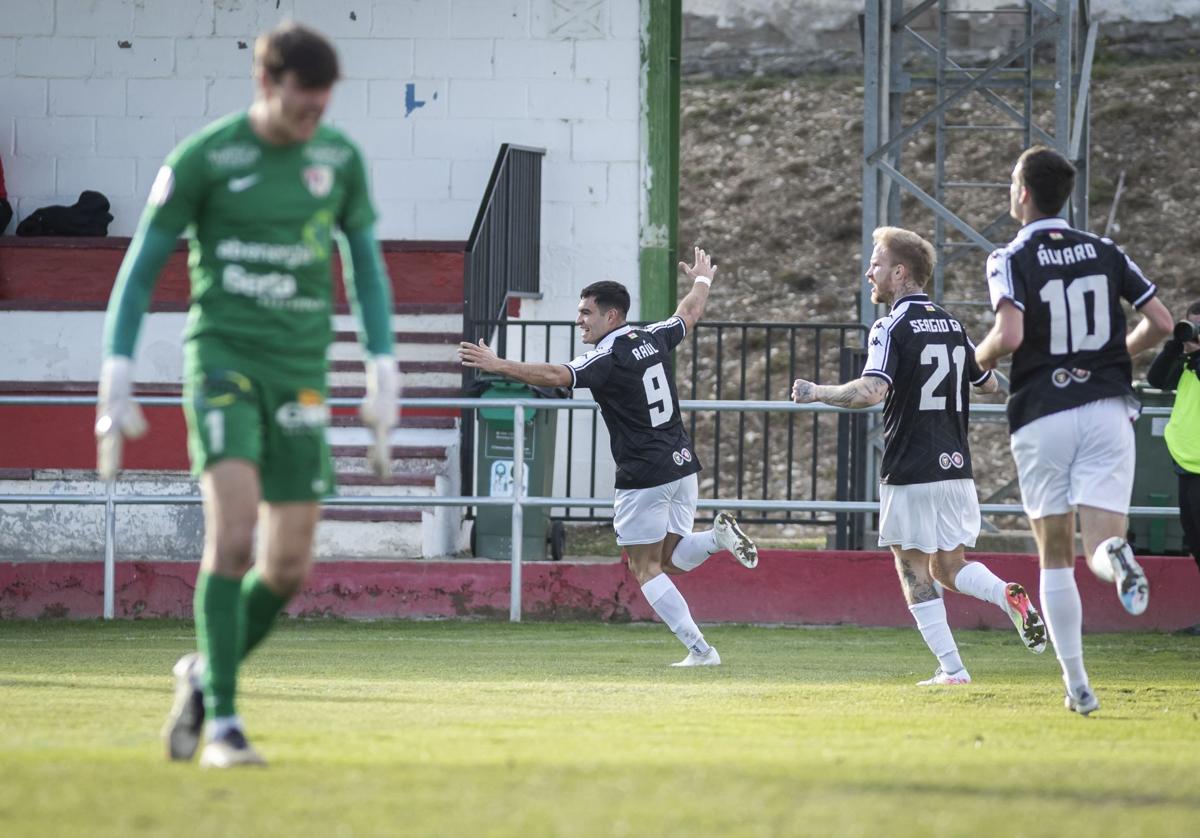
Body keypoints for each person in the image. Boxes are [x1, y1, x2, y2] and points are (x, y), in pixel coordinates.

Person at [96, 21, 399, 767]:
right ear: (267, 85)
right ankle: (225, 727)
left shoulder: (339, 158)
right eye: (302, 107)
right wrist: (116, 370)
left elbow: (364, 265)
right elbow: (141, 269)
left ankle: (205, 673)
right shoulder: (206, 158)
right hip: (223, 363)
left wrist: (382, 366)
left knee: (289, 565)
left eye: (322, 109)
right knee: (233, 538)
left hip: (300, 371)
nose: (311, 122)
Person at [459, 248, 758, 666]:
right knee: (671, 559)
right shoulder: (652, 336)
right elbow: (687, 314)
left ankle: (702, 651)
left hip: (643, 473)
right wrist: (702, 281)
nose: (579, 320)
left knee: (644, 568)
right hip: (681, 464)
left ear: (612, 316)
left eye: (586, 313)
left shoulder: (607, 356)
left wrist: (496, 363)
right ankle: (716, 539)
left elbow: (555, 375)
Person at [792, 227, 1047, 685]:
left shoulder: (890, 325)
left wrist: (817, 392)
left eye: (876, 264)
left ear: (900, 272)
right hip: (957, 471)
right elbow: (987, 383)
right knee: (949, 568)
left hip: (911, 470)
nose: (869, 272)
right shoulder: (952, 324)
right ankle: (1004, 593)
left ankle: (953, 670)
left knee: (913, 570)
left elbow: (871, 391)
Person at [975, 145, 1173, 715]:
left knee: (1055, 556)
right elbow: (1160, 322)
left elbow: (1009, 335)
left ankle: (1079, 686)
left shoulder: (1009, 255)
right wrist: (1115, 353)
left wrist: (976, 360)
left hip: (1044, 411)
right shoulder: (1106, 251)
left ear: (1023, 193)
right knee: (1100, 545)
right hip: (1108, 406)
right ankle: (1120, 557)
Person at [1146, 301, 1200, 574]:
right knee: (1195, 541)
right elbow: (1156, 380)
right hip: (1187, 465)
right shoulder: (1189, 362)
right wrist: (1174, 348)